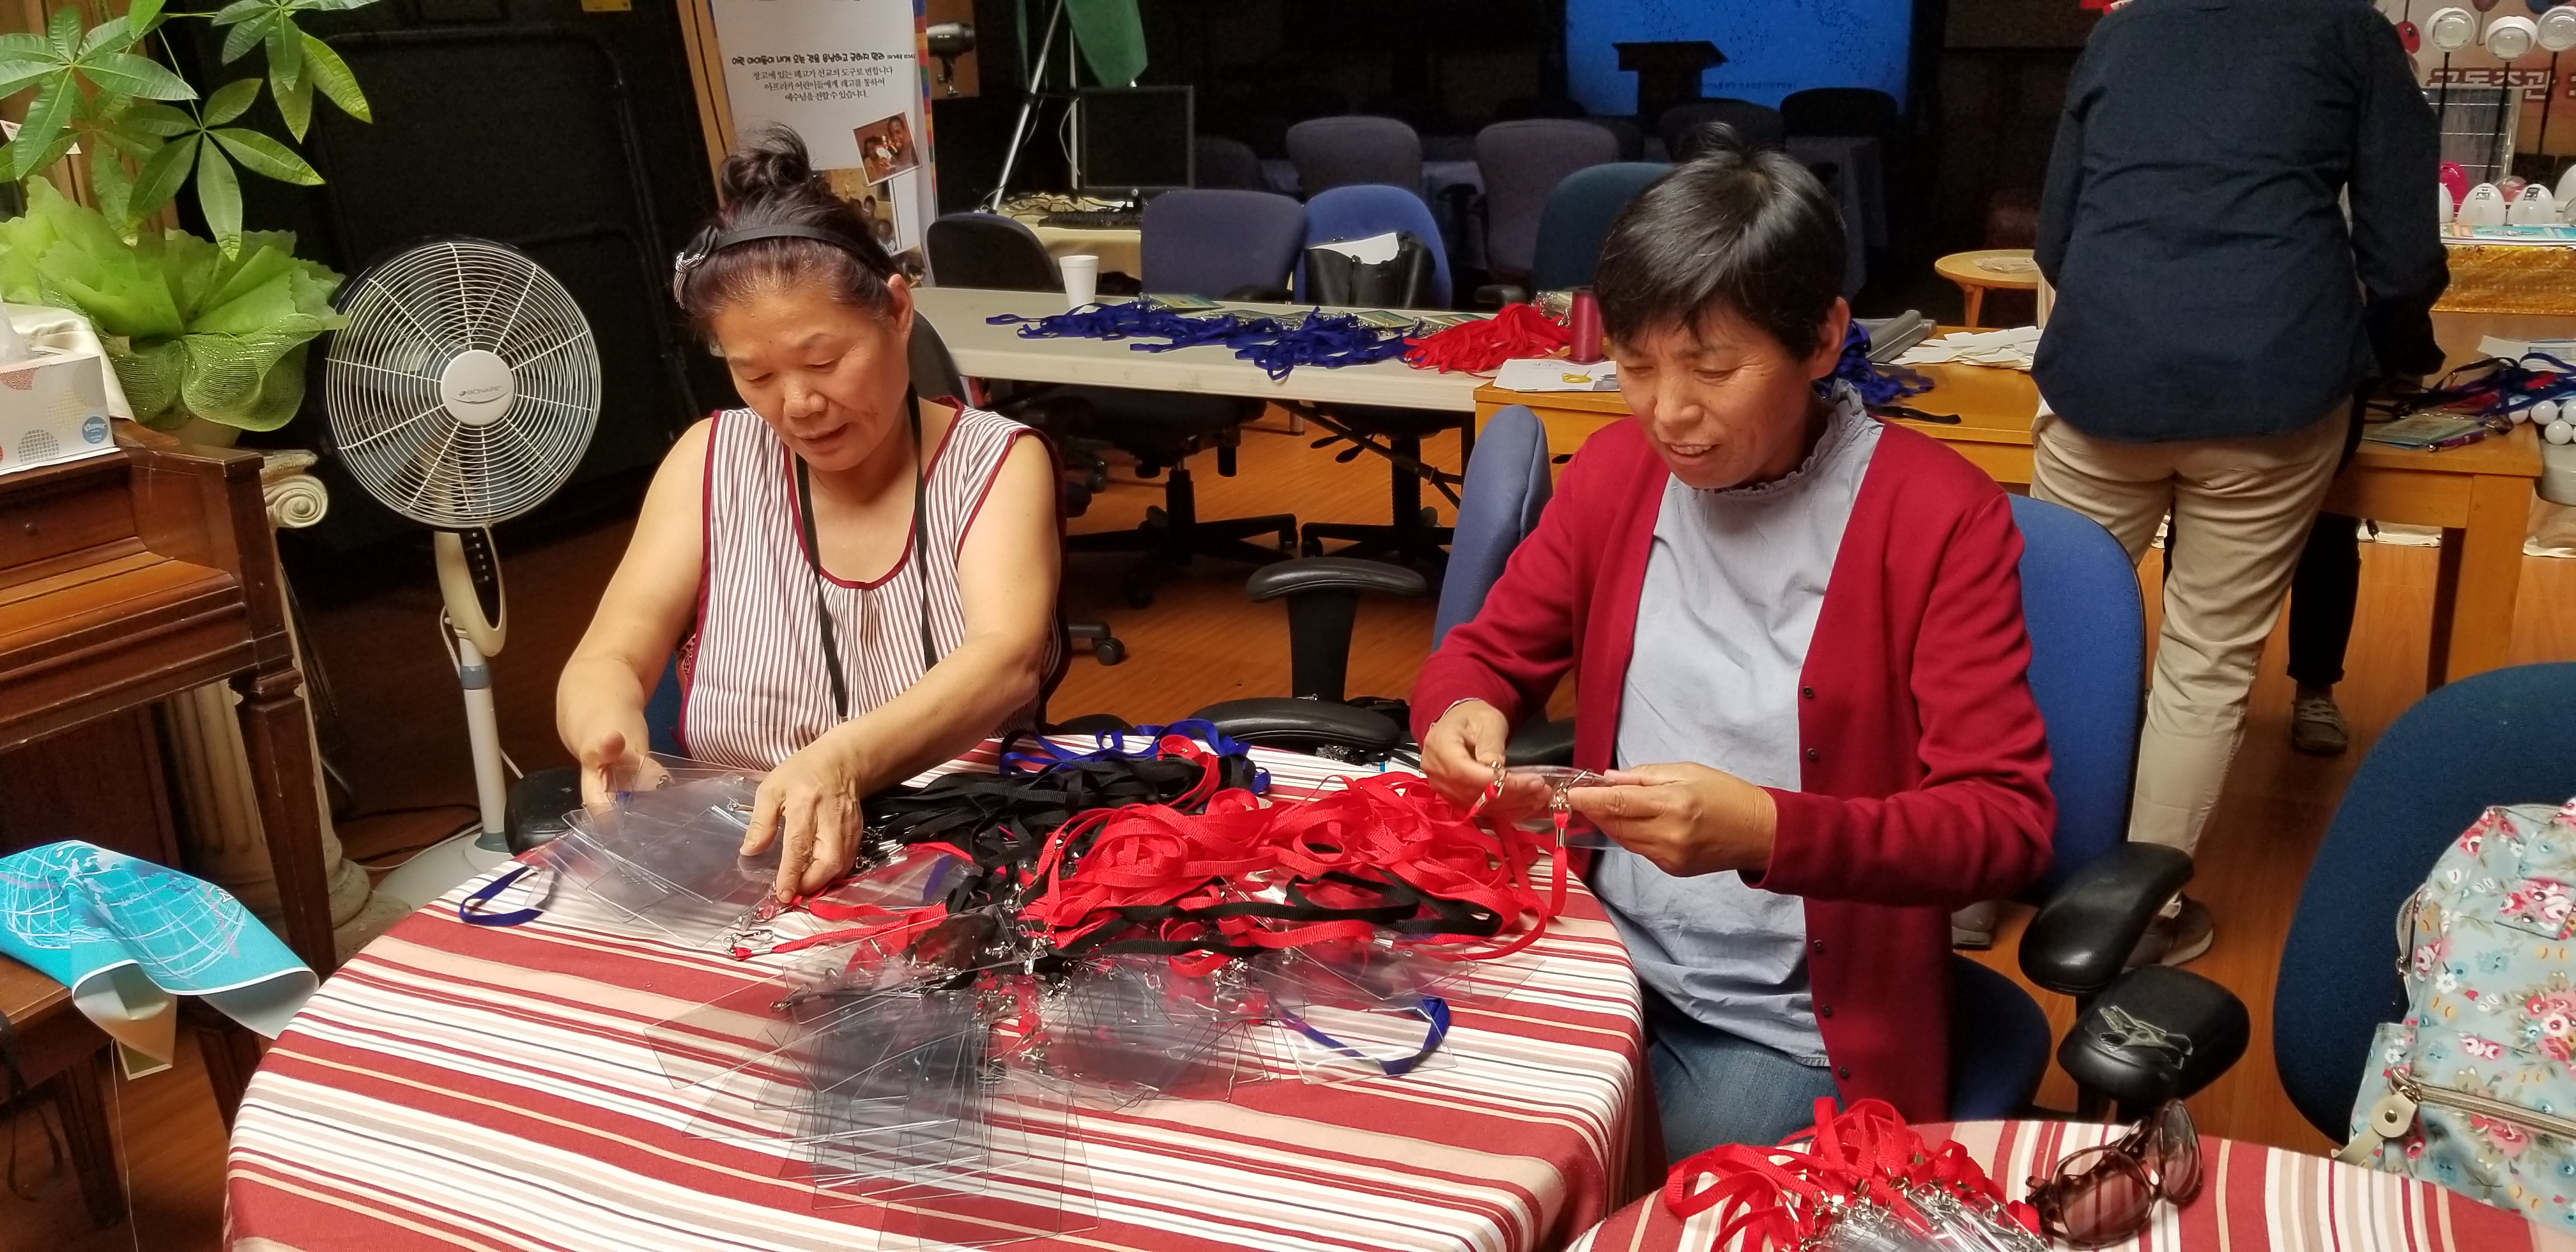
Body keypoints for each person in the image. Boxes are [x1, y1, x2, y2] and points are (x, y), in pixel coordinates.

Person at [1411, 141, 2054, 1156]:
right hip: (1596, 960)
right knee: (1424, 1131)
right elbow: (1487, 653)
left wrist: (1767, 832)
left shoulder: (1938, 518)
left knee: (1619, 1192)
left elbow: (2004, 825)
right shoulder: (1616, 473)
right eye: (1636, 365)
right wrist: (1463, 710)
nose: (1669, 412)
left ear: (1823, 338)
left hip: (1785, 1022)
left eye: (1713, 368)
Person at [2032, 0, 2444, 963]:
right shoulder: (2348, 31)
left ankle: (1984, 877)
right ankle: (2140, 922)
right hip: (2270, 381)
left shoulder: (2126, 28)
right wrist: (2381, 356)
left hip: (2102, 375)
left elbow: (2056, 236)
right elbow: (2402, 259)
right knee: (2205, 662)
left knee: (2046, 642)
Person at [555, 126, 1062, 903]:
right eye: (754, 375)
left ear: (897, 311)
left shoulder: (996, 462)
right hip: (737, 855)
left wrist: (840, 761)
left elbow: (1006, 659)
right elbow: (609, 655)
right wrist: (604, 732)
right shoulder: (710, 459)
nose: (798, 404)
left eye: (824, 361)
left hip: (955, 859)